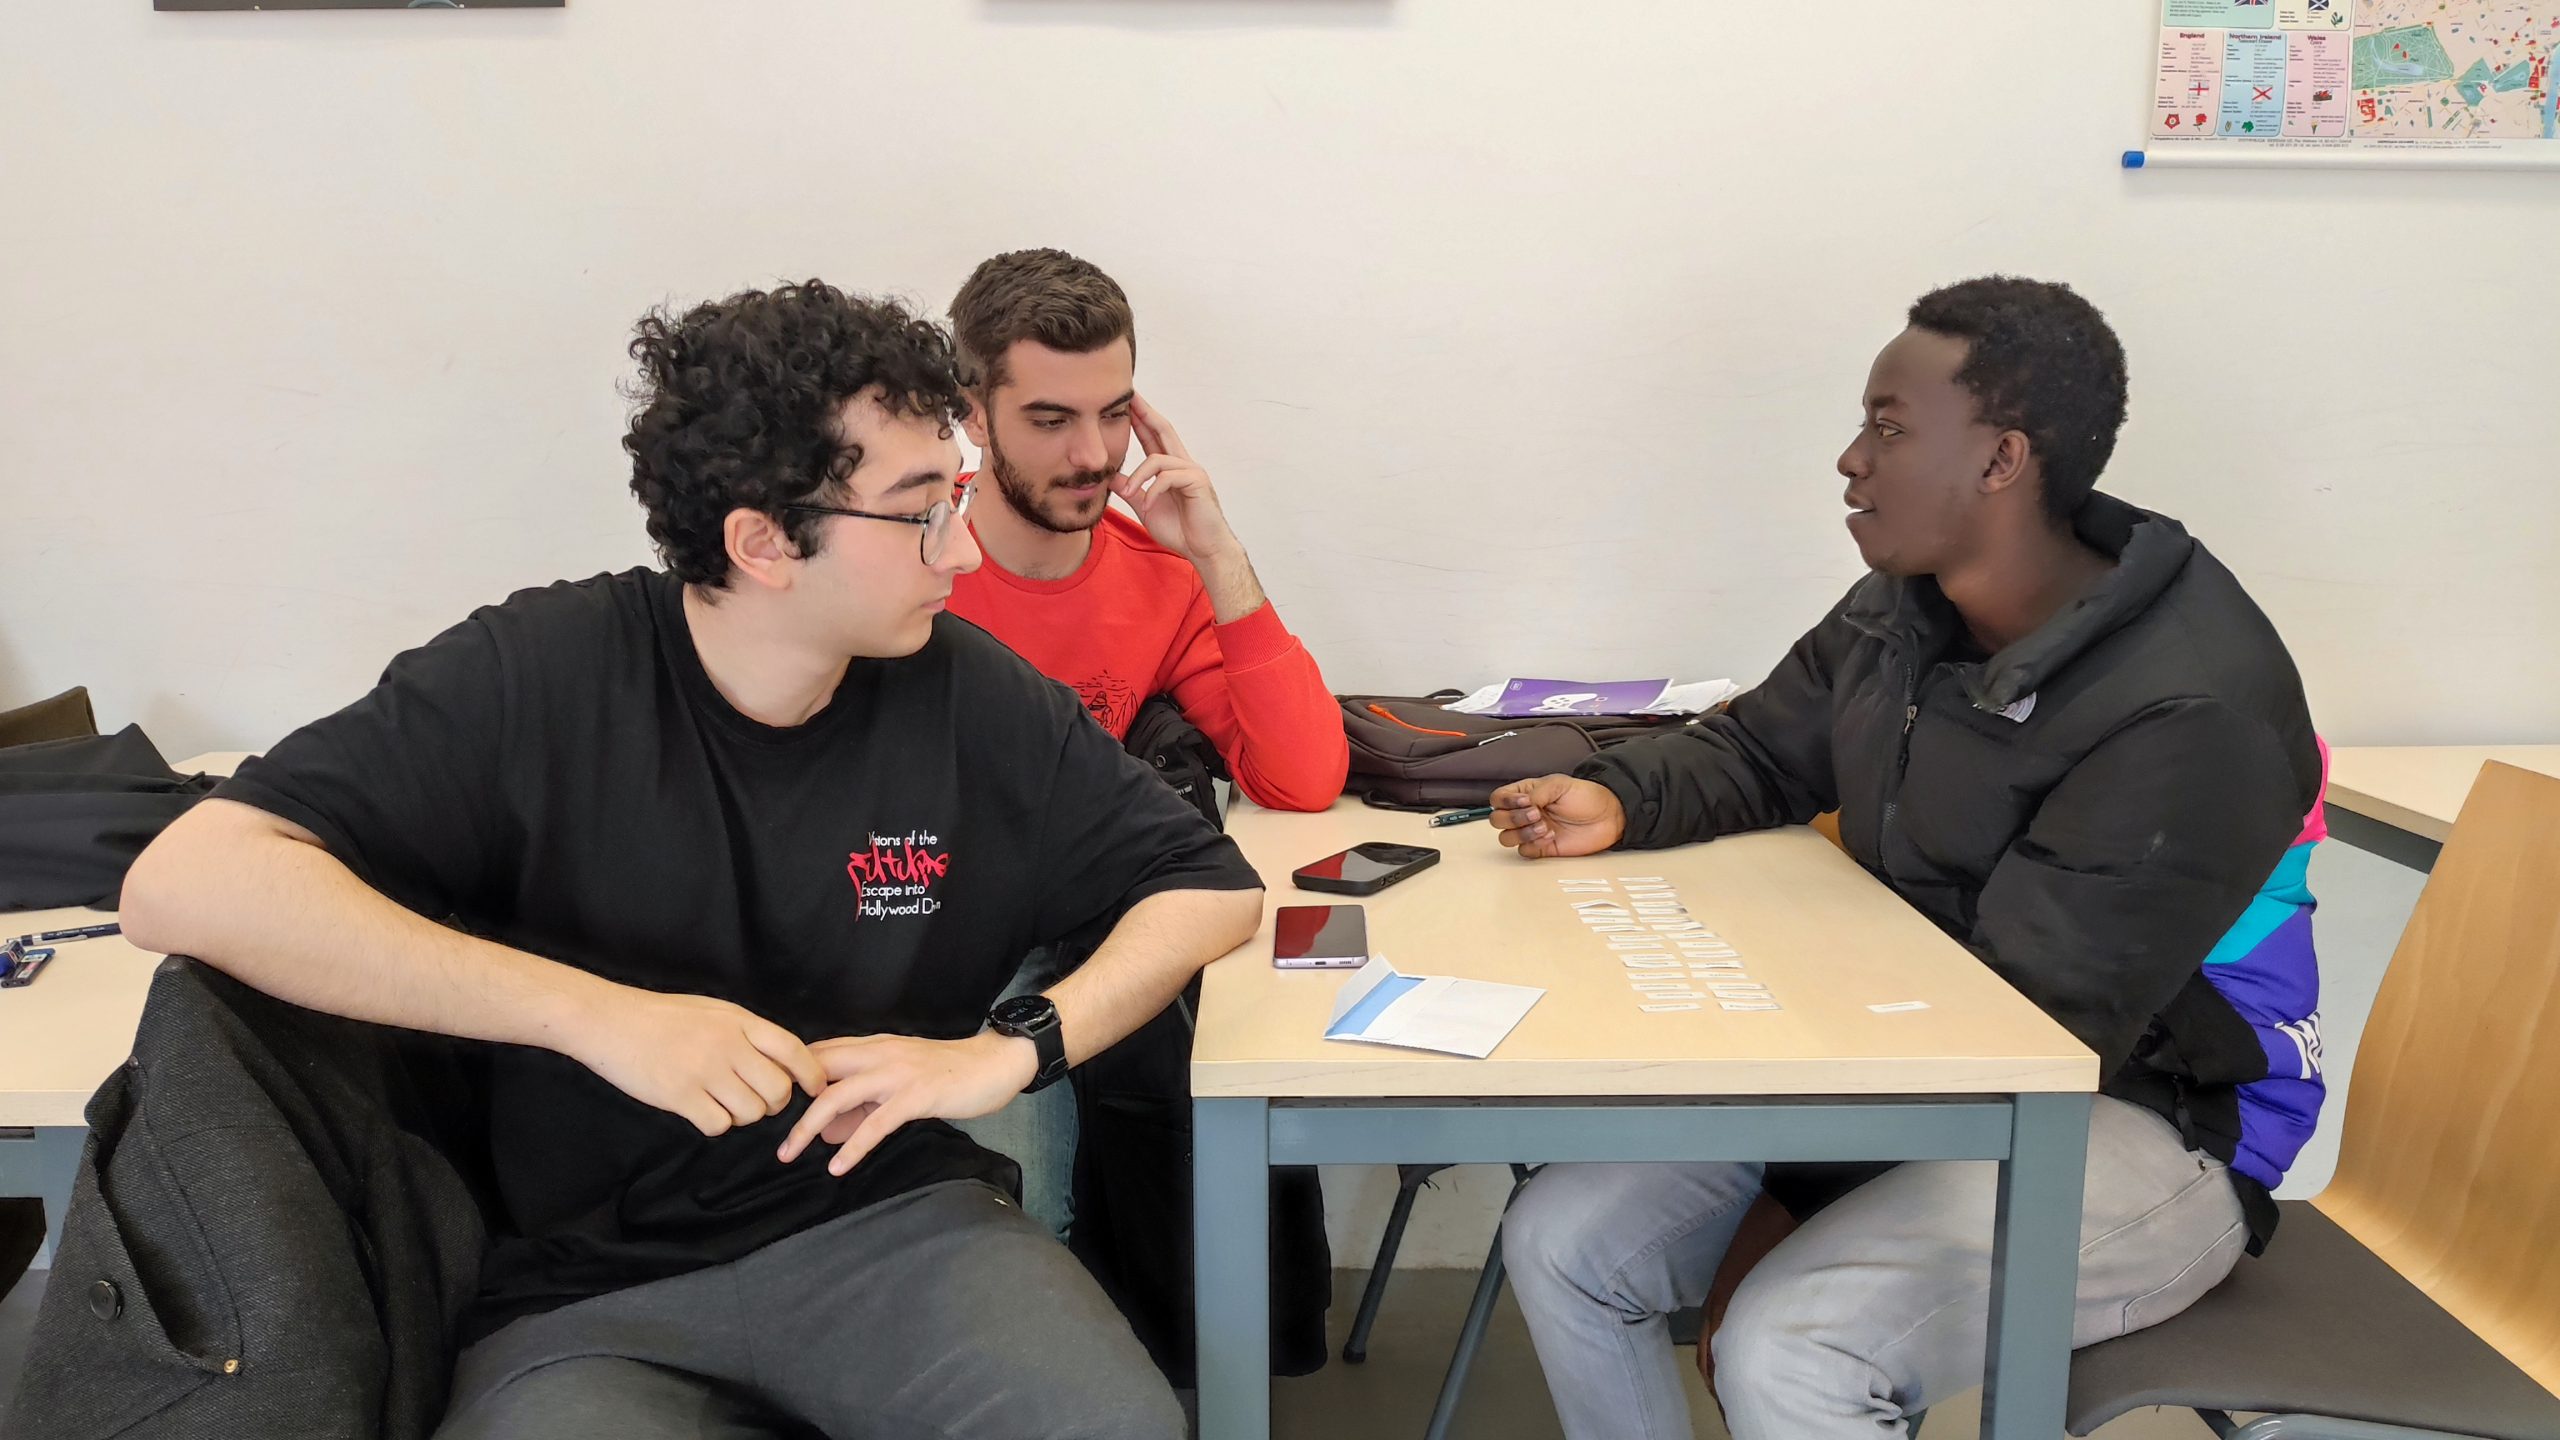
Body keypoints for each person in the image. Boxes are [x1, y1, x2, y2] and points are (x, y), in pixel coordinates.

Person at [120, 280, 1264, 1440]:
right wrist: (592, 1015)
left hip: (892, 1231)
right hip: (583, 1291)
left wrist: (1010, 1052)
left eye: (955, 496)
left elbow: (1208, 887)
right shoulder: (539, 676)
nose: (961, 550)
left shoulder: (965, 693)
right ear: (763, 543)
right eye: (921, 511)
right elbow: (183, 881)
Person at [1488, 276, 2328, 1440]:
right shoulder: (1909, 603)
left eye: (1887, 429)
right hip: (1915, 1044)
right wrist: (1617, 800)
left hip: (2150, 1117)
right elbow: (1766, 746)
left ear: (2000, 460)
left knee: (1791, 1349)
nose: (1850, 460)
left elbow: (2030, 1032)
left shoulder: (2187, 707)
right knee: (1563, 1241)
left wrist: (1784, 1188)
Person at [939, 247, 1346, 1235]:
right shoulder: (909, 558)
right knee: (1015, 1214)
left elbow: (1300, 777)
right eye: (1050, 419)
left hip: (1093, 929)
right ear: (972, 412)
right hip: (942, 935)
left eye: (1114, 413)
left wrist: (1215, 553)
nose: (1093, 454)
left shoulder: (1156, 573)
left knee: (1216, 1135)